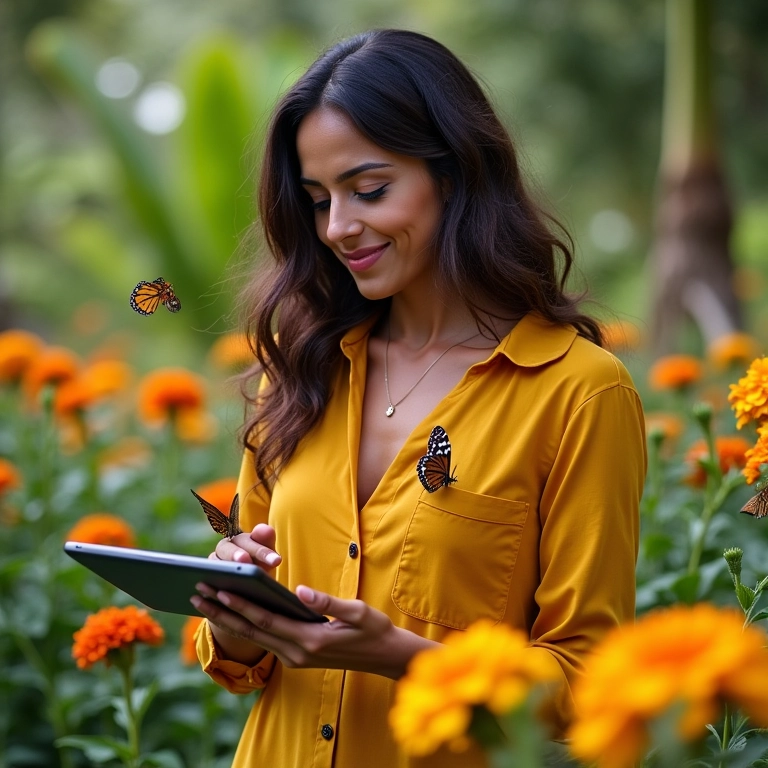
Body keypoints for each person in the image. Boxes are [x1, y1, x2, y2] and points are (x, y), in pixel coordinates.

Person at [191, 28, 646, 768]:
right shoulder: (300, 372)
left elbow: (590, 681)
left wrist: (404, 657)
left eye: (369, 190)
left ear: (456, 173)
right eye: (317, 200)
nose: (338, 227)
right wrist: (235, 622)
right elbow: (242, 667)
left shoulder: (578, 392)